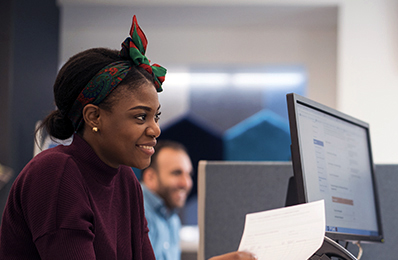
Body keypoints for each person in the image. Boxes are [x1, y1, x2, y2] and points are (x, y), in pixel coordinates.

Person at [0, 16, 255, 260]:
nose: (156, 130)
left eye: (156, 116)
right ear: (94, 117)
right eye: (141, 117)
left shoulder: (125, 180)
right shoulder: (57, 173)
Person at [141, 140, 193, 260]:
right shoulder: (135, 211)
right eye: (176, 173)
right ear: (150, 177)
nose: (186, 183)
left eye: (189, 174)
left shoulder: (173, 219)